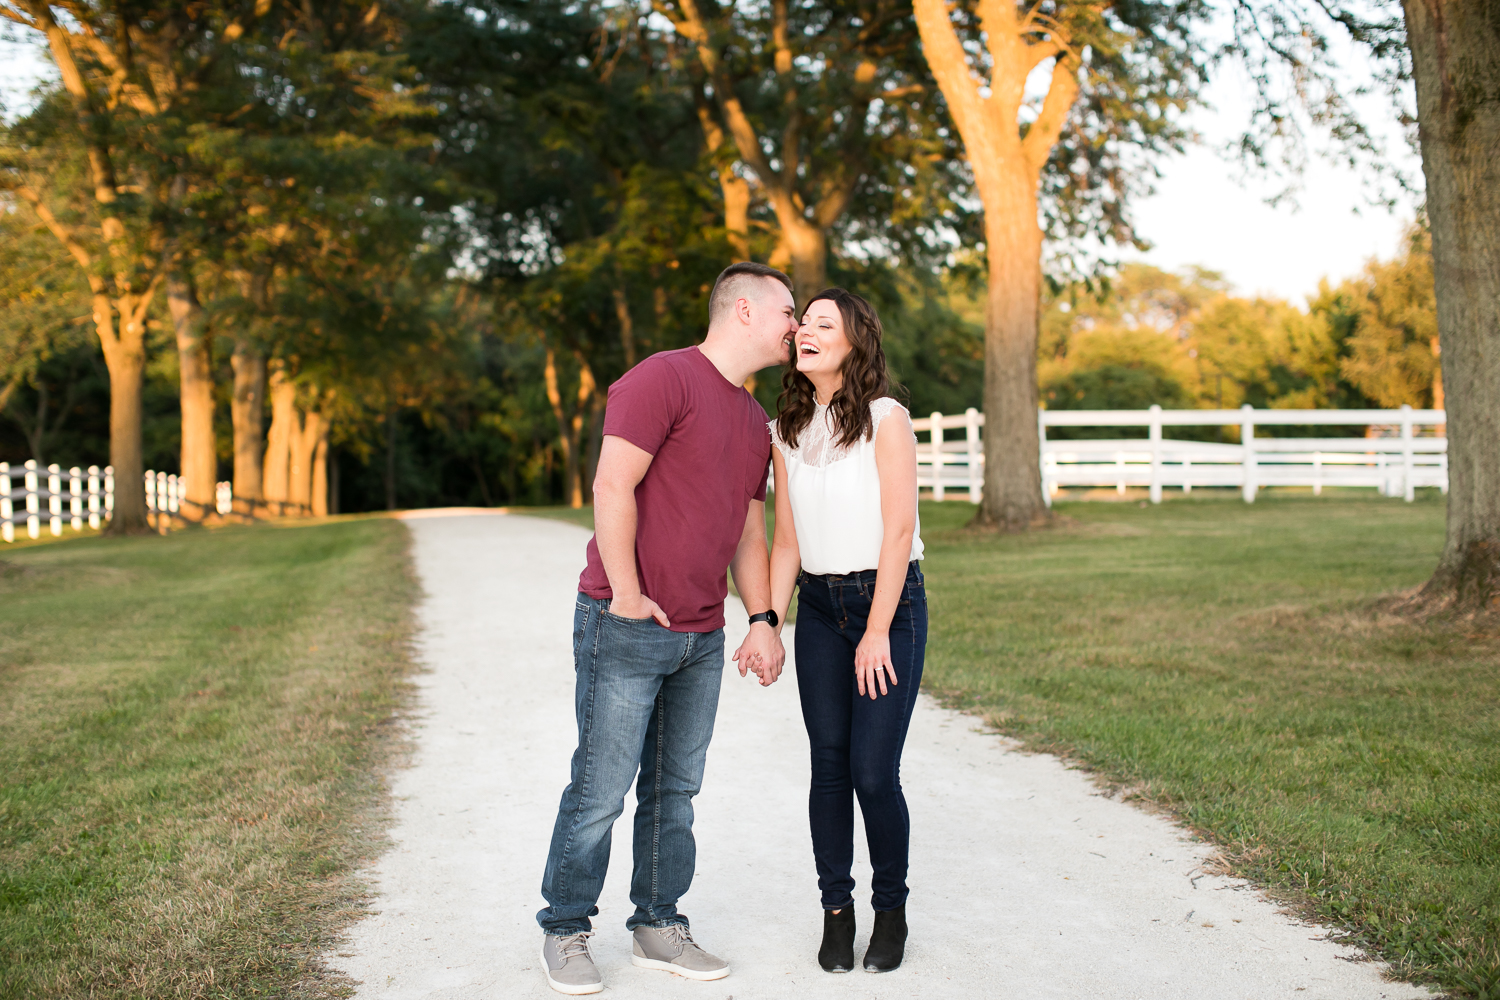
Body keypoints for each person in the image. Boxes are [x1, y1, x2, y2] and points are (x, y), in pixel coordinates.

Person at [536, 262, 794, 996]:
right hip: (626, 621)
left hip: (702, 635)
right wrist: (625, 593)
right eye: (787, 311)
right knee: (601, 787)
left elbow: (750, 532)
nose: (794, 324)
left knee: (675, 791)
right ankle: (564, 927)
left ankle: (657, 922)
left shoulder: (752, 420)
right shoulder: (662, 378)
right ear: (744, 310)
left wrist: (765, 619)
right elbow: (612, 483)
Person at [765, 288, 926, 974]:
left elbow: (897, 533)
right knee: (828, 767)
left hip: (887, 607)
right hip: (821, 613)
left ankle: (891, 909)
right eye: (802, 322)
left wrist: (877, 630)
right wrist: (767, 621)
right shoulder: (787, 429)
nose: (805, 331)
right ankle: (838, 910)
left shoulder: (887, 419)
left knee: (872, 771)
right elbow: (785, 544)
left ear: (855, 342)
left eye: (823, 324)